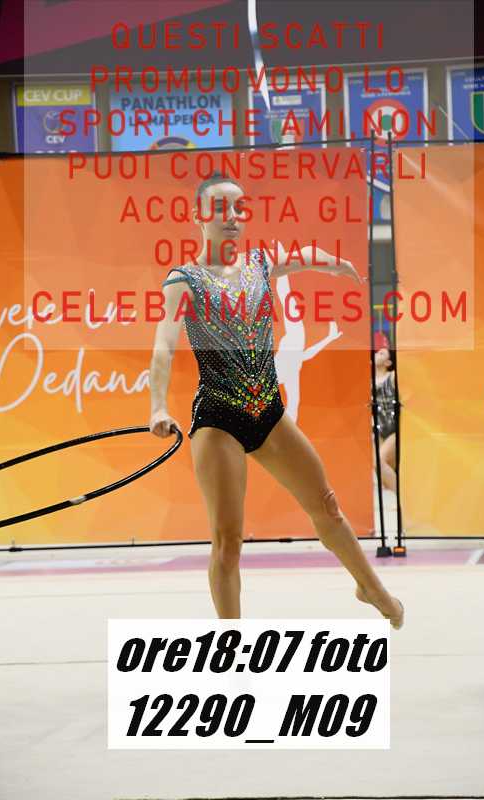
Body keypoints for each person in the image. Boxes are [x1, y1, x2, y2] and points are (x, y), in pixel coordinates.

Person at [149, 172, 404, 627]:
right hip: (219, 419)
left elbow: (300, 257)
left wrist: (335, 263)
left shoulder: (259, 263)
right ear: (198, 215)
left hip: (268, 411)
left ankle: (371, 588)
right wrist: (158, 407)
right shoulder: (183, 281)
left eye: (238, 208)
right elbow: (163, 347)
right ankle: (231, 644)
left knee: (326, 505)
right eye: (220, 208)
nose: (231, 216)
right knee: (228, 543)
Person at [374, 340, 397, 493]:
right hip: (378, 429)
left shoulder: (392, 376)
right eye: (377, 352)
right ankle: (396, 495)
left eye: (381, 353)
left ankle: (402, 498)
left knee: (379, 461)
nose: (377, 354)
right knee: (384, 467)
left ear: (388, 362)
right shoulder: (369, 380)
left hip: (394, 428)